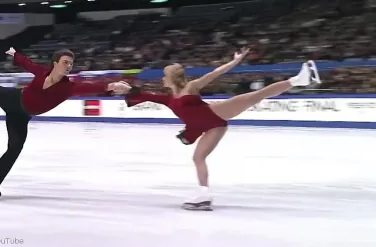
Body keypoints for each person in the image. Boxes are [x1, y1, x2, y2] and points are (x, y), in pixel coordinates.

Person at [124, 48, 321, 211]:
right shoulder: (168, 98)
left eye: (164, 77)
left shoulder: (191, 87)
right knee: (198, 158)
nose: (162, 80)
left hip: (215, 114)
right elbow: (144, 95)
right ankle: (204, 195)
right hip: (211, 127)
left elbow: (214, 74)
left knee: (254, 96)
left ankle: (298, 80)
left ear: (171, 78)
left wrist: (235, 61)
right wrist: (123, 88)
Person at [0, 47, 131, 200]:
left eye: (71, 63)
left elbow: (92, 87)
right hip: (13, 99)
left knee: (14, 149)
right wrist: (14, 54)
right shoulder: (41, 72)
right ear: (55, 63)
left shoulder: (69, 87)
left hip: (21, 116)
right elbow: (26, 63)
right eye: (65, 62)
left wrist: (112, 85)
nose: (69, 66)